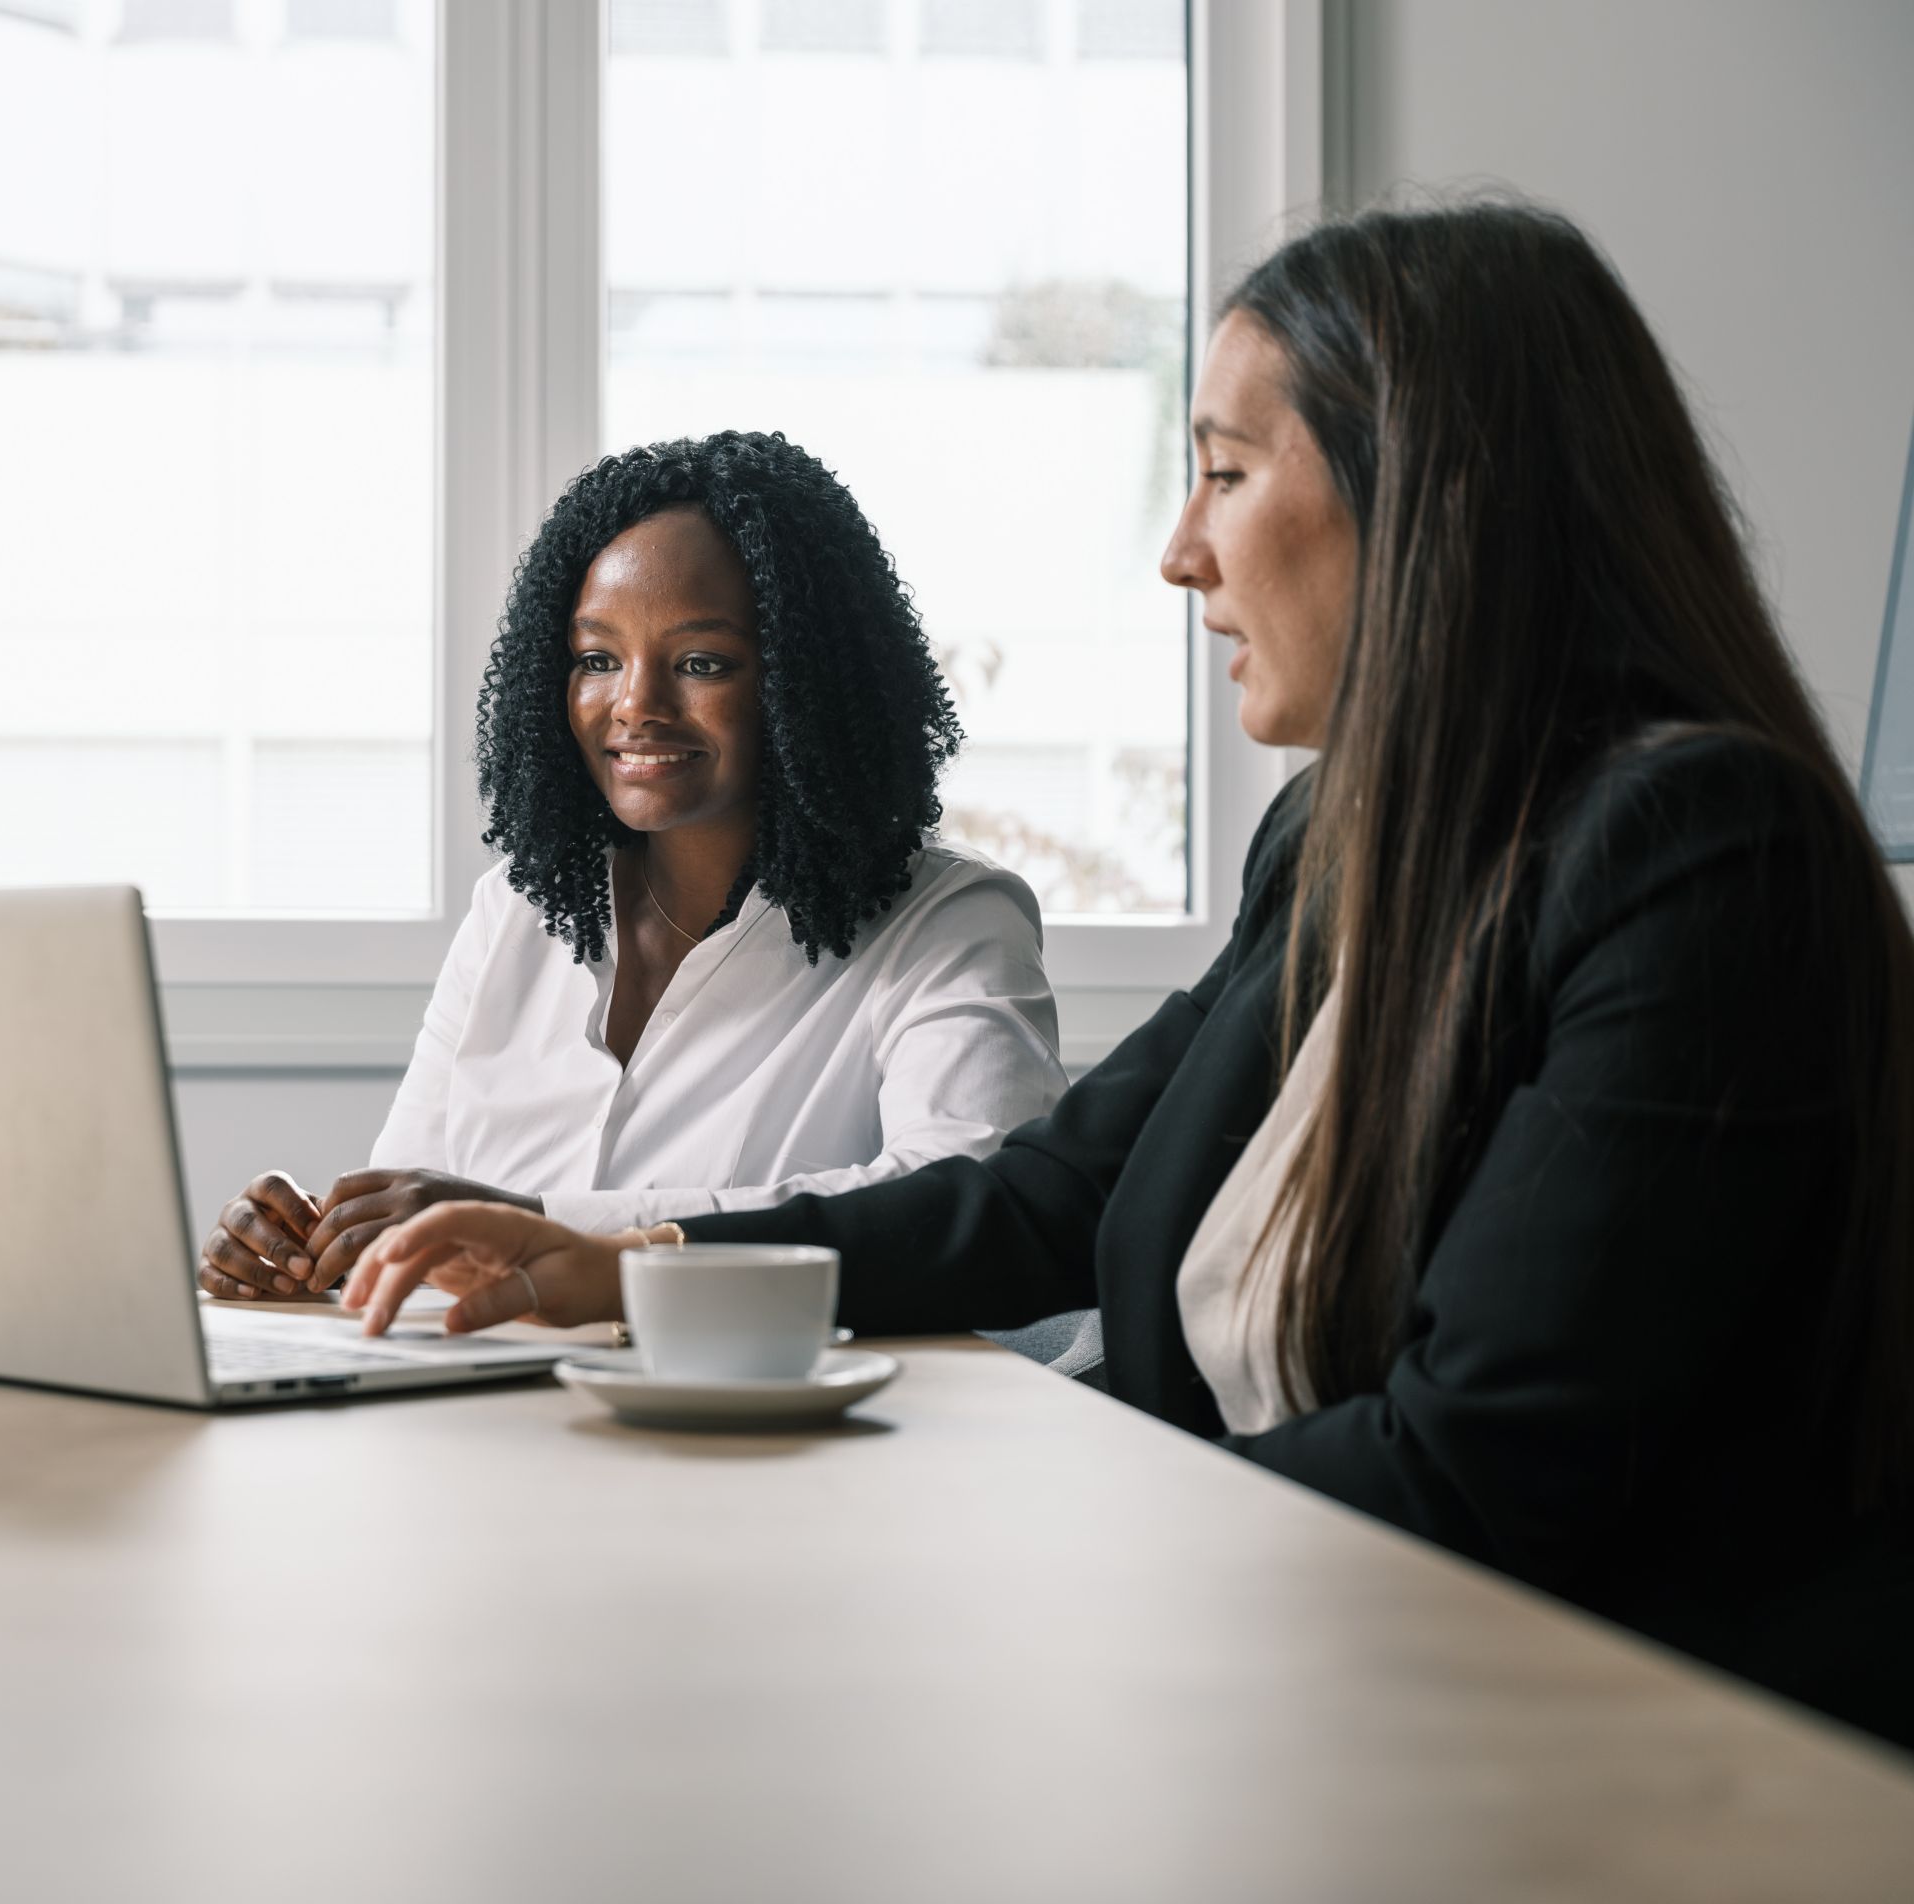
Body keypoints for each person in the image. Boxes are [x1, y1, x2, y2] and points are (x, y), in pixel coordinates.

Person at [341, 204, 1914, 1745]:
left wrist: (989, 1544)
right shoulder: (1346, 838)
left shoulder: (1699, 855)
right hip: (1282, 1670)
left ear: (1433, 499)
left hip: (1573, 1750)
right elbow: (1053, 1196)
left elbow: (1476, 1477)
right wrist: (629, 1263)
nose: (1179, 554)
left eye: (1226, 473)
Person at [199, 431, 1065, 1302]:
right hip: (489, 1416)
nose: (635, 707)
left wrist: (547, 1230)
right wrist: (312, 1253)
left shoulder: (949, 920)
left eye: (700, 664)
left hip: (768, 1423)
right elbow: (412, 1226)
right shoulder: (517, 911)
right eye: (597, 660)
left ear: (807, 682)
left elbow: (970, 1199)